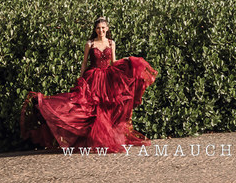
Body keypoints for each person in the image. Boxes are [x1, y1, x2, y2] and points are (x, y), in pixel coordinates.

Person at [20, 16, 158, 153]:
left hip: (107, 78)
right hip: (92, 77)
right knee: (88, 108)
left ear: (107, 29)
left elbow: (114, 62)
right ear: (95, 29)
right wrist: (80, 80)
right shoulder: (90, 44)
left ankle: (102, 140)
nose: (100, 30)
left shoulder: (111, 43)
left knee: (106, 109)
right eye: (98, 28)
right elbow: (84, 63)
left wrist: (128, 60)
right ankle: (46, 107)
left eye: (103, 28)